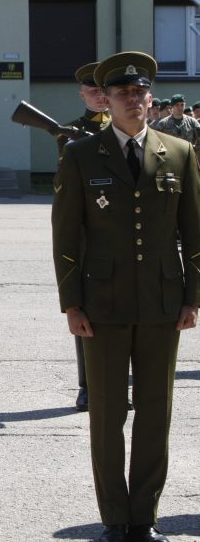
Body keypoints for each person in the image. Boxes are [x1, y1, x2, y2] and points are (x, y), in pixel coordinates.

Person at [51, 52, 199, 542]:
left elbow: (194, 233)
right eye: (122, 94)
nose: (132, 101)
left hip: (162, 301)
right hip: (103, 303)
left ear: (149, 97)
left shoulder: (178, 152)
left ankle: (145, 518)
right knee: (108, 413)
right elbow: (66, 235)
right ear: (106, 101)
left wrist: (192, 297)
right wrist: (72, 303)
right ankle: (115, 517)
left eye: (139, 93)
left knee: (156, 410)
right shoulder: (81, 154)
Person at [58, 62, 112, 412]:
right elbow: (66, 184)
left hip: (123, 229)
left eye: (103, 91)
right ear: (82, 95)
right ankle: (87, 385)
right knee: (85, 309)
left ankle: (120, 384)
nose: (99, 96)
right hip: (88, 229)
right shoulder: (71, 132)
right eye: (92, 91)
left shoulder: (131, 127)